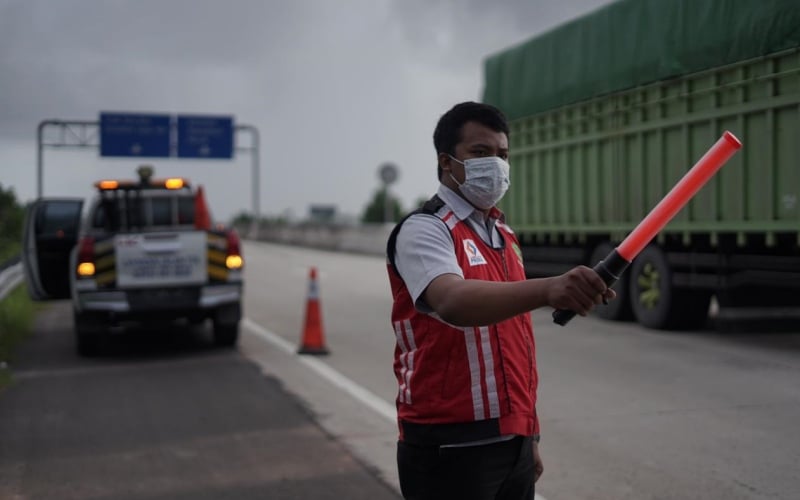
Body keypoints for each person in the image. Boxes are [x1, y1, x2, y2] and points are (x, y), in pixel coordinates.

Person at [386, 101, 615, 500]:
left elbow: (516, 340)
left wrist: (529, 432)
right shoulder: (424, 230)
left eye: (503, 155)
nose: (496, 164)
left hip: (513, 440)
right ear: (447, 161)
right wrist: (546, 289)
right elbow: (453, 301)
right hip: (448, 443)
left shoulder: (504, 235)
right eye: (480, 153)